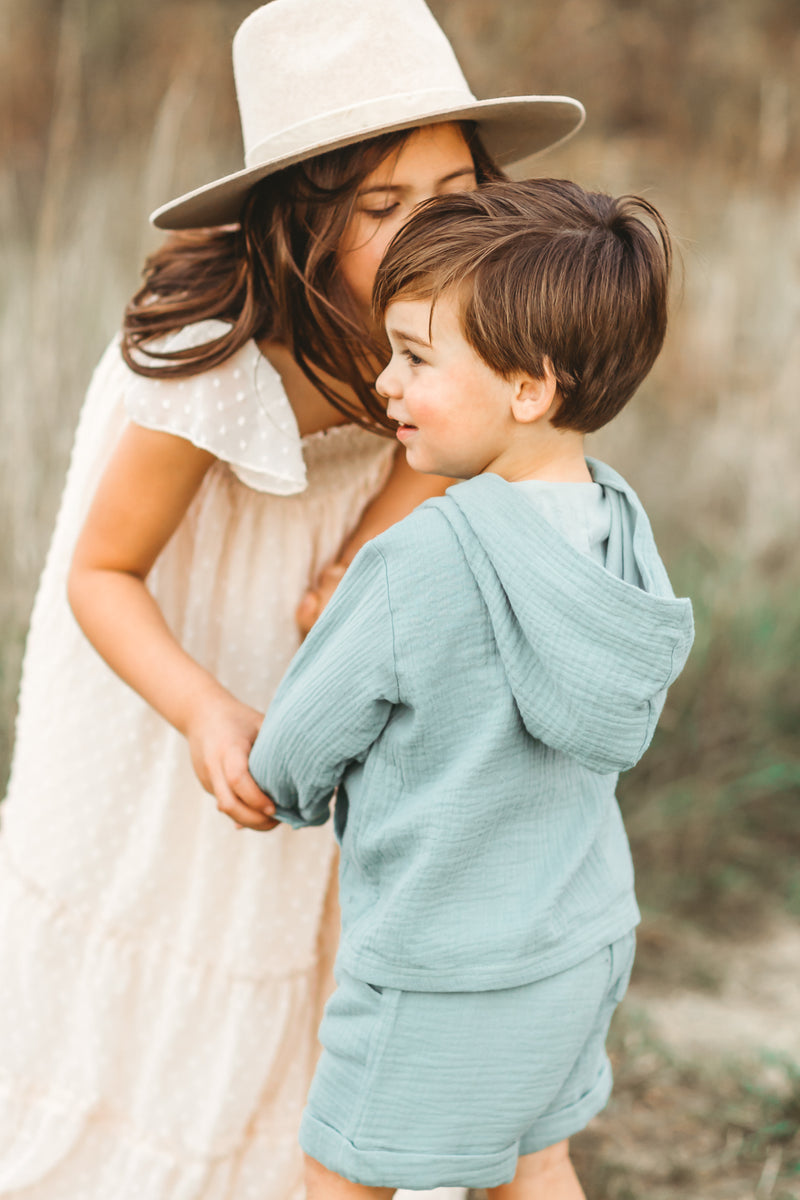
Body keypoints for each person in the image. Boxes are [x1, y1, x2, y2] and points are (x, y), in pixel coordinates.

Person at [0, 2, 585, 1198]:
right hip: (165, 634)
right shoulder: (216, 355)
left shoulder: (463, 306)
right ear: (301, 223)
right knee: (163, 882)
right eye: (381, 206)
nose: (433, 228)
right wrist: (208, 709)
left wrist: (362, 555)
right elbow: (102, 576)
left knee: (297, 897)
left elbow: (456, 447)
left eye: (455, 187)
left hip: (309, 621)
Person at [245, 178, 695, 1199]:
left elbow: (293, 750)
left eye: (413, 356)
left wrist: (273, 785)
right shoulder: (619, 529)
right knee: (536, 1162)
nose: (385, 384)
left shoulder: (417, 562)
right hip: (579, 945)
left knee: (340, 1176)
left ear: (528, 389)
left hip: (435, 972)